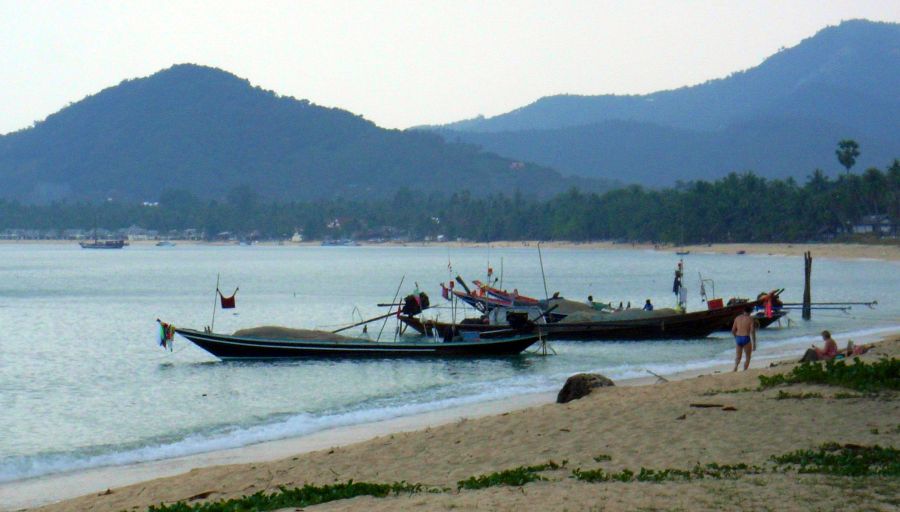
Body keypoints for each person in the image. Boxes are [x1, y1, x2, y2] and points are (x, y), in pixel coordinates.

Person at [731, 305, 757, 371]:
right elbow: (752, 331)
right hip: (746, 338)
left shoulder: (737, 318)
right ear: (750, 312)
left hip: (738, 338)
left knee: (738, 357)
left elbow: (733, 330)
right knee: (748, 357)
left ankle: (735, 367)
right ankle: (745, 370)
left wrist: (736, 337)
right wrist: (754, 343)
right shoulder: (750, 319)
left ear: (743, 311)